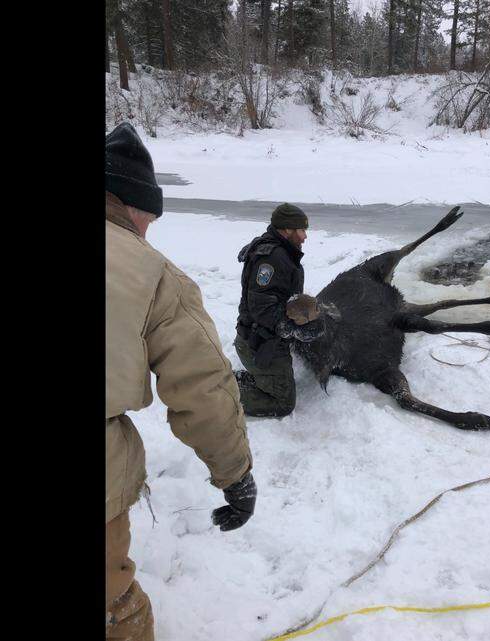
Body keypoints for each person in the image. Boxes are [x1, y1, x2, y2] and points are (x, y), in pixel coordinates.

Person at [105, 122, 257, 641]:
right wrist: (235, 475)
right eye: (147, 219)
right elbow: (202, 385)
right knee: (113, 606)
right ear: (131, 206)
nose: (147, 232)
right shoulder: (150, 272)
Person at [233, 203, 325, 417]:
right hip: (258, 342)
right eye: (301, 230)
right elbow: (261, 306)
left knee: (279, 387)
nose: (305, 236)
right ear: (286, 230)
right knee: (282, 402)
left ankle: (233, 380)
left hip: (268, 338)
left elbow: (280, 298)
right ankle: (217, 392)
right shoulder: (271, 258)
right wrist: (289, 328)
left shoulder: (283, 252)